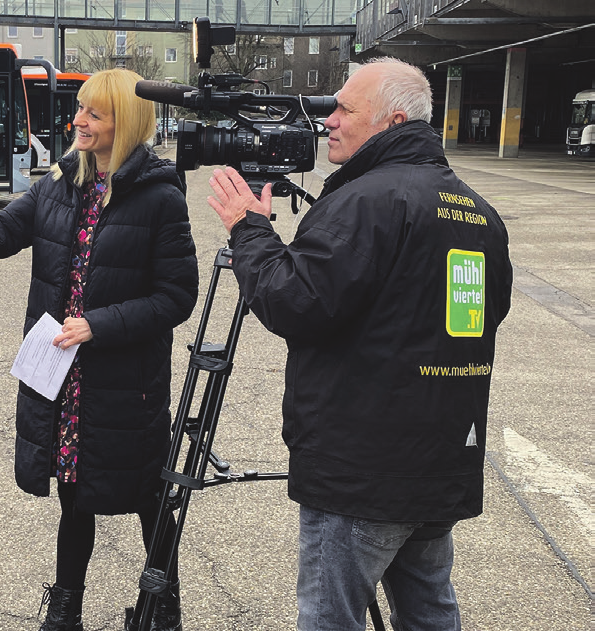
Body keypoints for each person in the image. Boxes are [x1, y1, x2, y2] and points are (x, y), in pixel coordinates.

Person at [0, 68, 198, 631]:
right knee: (74, 495)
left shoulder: (159, 197)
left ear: (127, 120)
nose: (78, 121)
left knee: (149, 495)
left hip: (126, 380)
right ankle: (65, 607)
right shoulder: (58, 183)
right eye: (79, 109)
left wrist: (99, 324)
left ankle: (163, 607)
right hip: (63, 377)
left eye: (94, 113)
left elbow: (176, 297)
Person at [207, 57, 512, 631]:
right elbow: (482, 317)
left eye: (345, 108)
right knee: (430, 612)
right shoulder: (480, 213)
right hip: (439, 462)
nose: (330, 121)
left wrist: (250, 229)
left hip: (362, 472)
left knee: (330, 618)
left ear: (391, 120)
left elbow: (293, 302)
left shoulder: (366, 202)